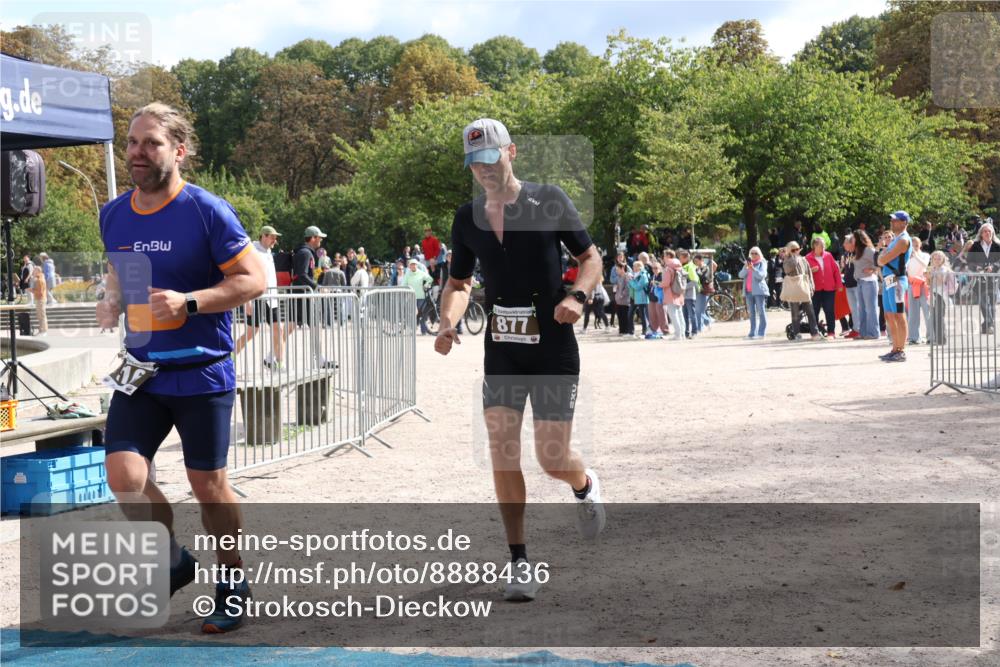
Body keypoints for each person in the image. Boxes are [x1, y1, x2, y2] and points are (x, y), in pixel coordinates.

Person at [95, 102, 265, 633]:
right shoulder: (113, 213)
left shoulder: (206, 210)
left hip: (202, 371)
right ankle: (172, 560)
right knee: (124, 475)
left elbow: (252, 280)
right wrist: (111, 295)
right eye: (132, 142)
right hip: (142, 371)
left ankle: (233, 582)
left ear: (179, 151)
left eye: (151, 143)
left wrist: (190, 301)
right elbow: (119, 268)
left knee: (207, 484)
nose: (137, 153)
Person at [435, 117, 606, 602]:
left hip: (553, 344)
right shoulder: (466, 218)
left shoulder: (548, 198)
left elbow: (591, 258)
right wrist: (448, 321)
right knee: (502, 450)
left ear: (510, 152)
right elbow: (460, 284)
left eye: (489, 159)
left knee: (552, 458)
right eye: (474, 164)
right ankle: (519, 562)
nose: (483, 171)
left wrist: (577, 296)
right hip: (503, 350)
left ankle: (585, 483)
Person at [234, 226, 287, 369]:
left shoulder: (269, 251)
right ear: (263, 236)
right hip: (256, 296)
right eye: (272, 237)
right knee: (252, 331)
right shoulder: (251, 250)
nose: (275, 241)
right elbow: (245, 275)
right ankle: (230, 357)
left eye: (276, 238)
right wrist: (247, 301)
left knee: (279, 329)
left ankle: (279, 364)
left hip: (271, 297)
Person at [876, 211, 913, 362]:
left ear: (904, 222)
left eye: (895, 220)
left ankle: (901, 350)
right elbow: (879, 258)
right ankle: (895, 348)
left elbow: (882, 259)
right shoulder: (895, 239)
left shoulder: (903, 240)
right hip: (888, 279)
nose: (892, 222)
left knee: (899, 314)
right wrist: (881, 258)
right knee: (889, 315)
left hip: (897, 280)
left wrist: (881, 258)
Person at [962, 221, 999, 334]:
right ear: (981, 233)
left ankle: (986, 325)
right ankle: (991, 324)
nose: (987, 233)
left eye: (989, 231)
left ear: (992, 233)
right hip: (979, 278)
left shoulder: (997, 245)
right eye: (985, 231)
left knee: (992, 303)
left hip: (993, 278)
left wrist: (993, 266)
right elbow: (969, 261)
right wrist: (977, 267)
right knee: (983, 302)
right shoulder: (975, 246)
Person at [781, 241, 820, 340]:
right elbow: (787, 270)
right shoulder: (787, 260)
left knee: (810, 311)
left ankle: (815, 333)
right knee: (795, 313)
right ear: (789, 251)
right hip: (794, 289)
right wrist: (794, 258)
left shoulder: (804, 259)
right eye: (793, 250)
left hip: (804, 287)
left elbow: (809, 273)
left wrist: (812, 286)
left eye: (797, 249)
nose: (796, 251)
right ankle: (797, 333)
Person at [805, 237, 842, 339]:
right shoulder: (807, 258)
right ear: (814, 246)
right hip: (814, 289)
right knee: (814, 311)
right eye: (821, 245)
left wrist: (839, 284)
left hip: (829, 287)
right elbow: (803, 274)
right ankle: (815, 333)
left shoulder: (828, 255)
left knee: (829, 310)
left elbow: (836, 270)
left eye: (824, 245)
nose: (824, 247)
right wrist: (811, 270)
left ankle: (831, 332)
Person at [925, 250, 956, 345]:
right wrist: (929, 276)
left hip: (941, 295)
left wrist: (932, 274)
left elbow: (940, 281)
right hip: (933, 294)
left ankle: (941, 340)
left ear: (943, 260)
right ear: (932, 259)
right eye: (935, 258)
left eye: (939, 258)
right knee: (934, 317)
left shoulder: (943, 269)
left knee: (939, 317)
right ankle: (937, 339)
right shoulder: (932, 268)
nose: (937, 260)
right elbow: (929, 283)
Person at [906, 237, 931, 344]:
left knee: (927, 311)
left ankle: (931, 337)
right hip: (912, 285)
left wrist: (915, 255)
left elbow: (925, 265)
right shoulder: (907, 257)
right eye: (912, 244)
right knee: (912, 313)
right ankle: (914, 337)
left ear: (920, 244)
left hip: (923, 285)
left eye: (916, 244)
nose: (914, 245)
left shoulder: (925, 255)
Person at [740, 246, 768, 339]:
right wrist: (746, 267)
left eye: (756, 253)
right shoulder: (747, 264)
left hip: (759, 291)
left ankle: (761, 333)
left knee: (761, 311)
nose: (754, 255)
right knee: (751, 313)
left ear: (759, 254)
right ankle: (752, 333)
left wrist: (753, 269)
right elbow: (740, 275)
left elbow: (761, 275)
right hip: (748, 291)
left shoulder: (762, 263)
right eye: (752, 253)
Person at [403, 257, 434, 335]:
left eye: (414, 264)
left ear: (417, 265)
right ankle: (412, 331)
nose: (413, 266)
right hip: (411, 297)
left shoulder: (421, 273)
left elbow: (430, 279)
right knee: (412, 314)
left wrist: (426, 285)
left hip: (421, 296)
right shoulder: (407, 274)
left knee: (423, 314)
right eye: (411, 265)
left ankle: (423, 331)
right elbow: (403, 284)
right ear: (409, 266)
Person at [661, 250, 686, 341]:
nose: (663, 258)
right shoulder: (679, 266)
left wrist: (659, 284)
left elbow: (666, 283)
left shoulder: (668, 268)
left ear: (668, 256)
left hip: (670, 294)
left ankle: (677, 335)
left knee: (673, 315)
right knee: (680, 314)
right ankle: (682, 334)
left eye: (664, 256)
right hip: (679, 293)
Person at [840, 235, 860, 339]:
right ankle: (856, 329)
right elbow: (845, 268)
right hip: (848, 284)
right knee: (853, 309)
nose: (843, 244)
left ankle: (860, 329)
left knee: (859, 308)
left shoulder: (858, 252)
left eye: (845, 242)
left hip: (857, 284)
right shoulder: (846, 254)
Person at [678, 249, 700, 338]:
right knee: (685, 315)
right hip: (683, 296)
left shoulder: (689, 267)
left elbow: (694, 281)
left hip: (690, 295)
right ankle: (686, 332)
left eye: (681, 258)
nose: (679, 259)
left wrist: (683, 287)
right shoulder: (683, 266)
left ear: (686, 258)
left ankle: (694, 332)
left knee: (692, 314)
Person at [628, 259, 650, 338]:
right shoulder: (634, 275)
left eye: (634, 266)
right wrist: (629, 281)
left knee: (642, 315)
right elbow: (631, 287)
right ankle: (631, 332)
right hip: (634, 298)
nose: (633, 267)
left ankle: (644, 332)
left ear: (639, 267)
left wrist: (631, 281)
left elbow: (637, 287)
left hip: (642, 298)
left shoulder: (643, 275)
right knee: (630, 314)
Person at [613, 261, 632, 336]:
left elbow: (628, 287)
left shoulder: (627, 275)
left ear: (622, 268)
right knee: (620, 316)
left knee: (625, 316)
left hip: (625, 300)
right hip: (619, 300)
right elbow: (618, 287)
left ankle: (626, 331)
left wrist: (622, 295)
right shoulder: (619, 277)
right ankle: (621, 330)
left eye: (617, 269)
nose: (616, 271)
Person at [29, 266, 48, 336]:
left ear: (38, 271)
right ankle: (41, 330)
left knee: (42, 315)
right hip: (39, 299)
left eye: (34, 270)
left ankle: (44, 331)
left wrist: (31, 290)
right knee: (40, 315)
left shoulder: (39, 280)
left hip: (40, 299)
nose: (33, 271)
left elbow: (39, 292)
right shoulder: (38, 278)